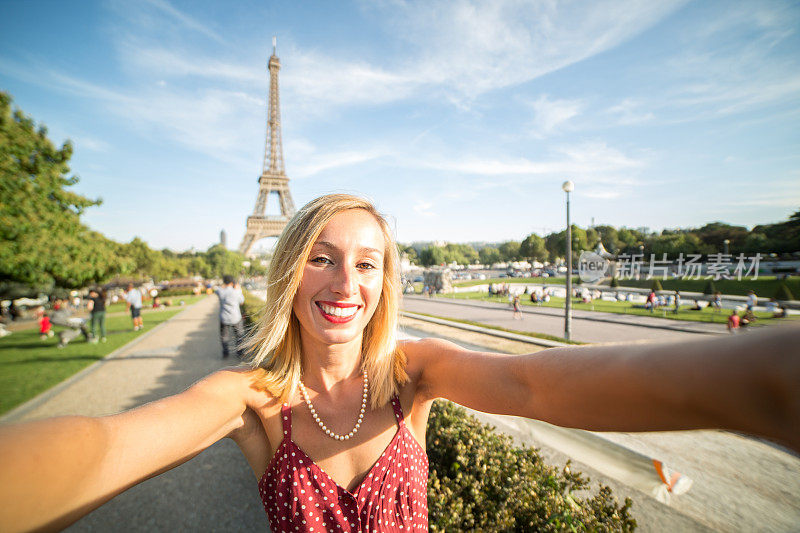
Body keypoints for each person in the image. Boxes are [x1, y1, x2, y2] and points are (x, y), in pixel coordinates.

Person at [1, 193, 800, 532]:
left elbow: (532, 383)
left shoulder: (412, 372)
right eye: (320, 257)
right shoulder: (250, 399)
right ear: (287, 273)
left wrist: (763, 382)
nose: (345, 281)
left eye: (367, 262)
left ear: (386, 280)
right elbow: (105, 449)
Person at [215, 275, 246, 359]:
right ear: (232, 282)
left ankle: (225, 353)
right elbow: (242, 302)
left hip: (224, 317)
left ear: (224, 282)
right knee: (239, 335)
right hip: (236, 317)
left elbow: (216, 290)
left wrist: (223, 286)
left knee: (224, 336)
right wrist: (239, 289)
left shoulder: (220, 291)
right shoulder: (236, 291)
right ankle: (240, 353)